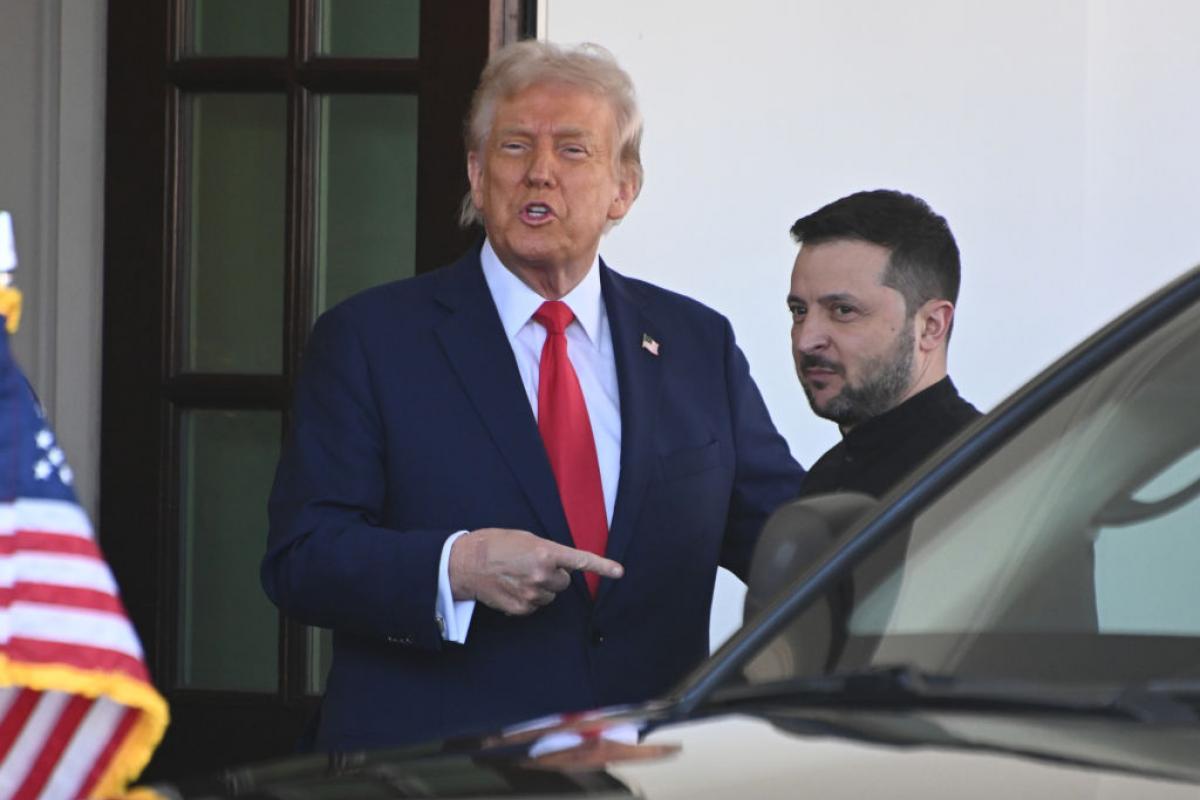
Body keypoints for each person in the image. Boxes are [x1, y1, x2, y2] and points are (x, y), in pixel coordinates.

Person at [263, 40, 804, 752]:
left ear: (624, 187)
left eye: (574, 150)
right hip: (440, 766)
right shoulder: (371, 339)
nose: (540, 172)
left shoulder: (694, 342)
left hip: (642, 763)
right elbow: (302, 557)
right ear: (478, 175)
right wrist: (454, 567)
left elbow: (788, 535)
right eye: (515, 147)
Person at [787, 189, 981, 499]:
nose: (806, 341)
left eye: (843, 311)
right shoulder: (823, 479)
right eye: (799, 311)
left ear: (931, 326)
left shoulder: (983, 479)